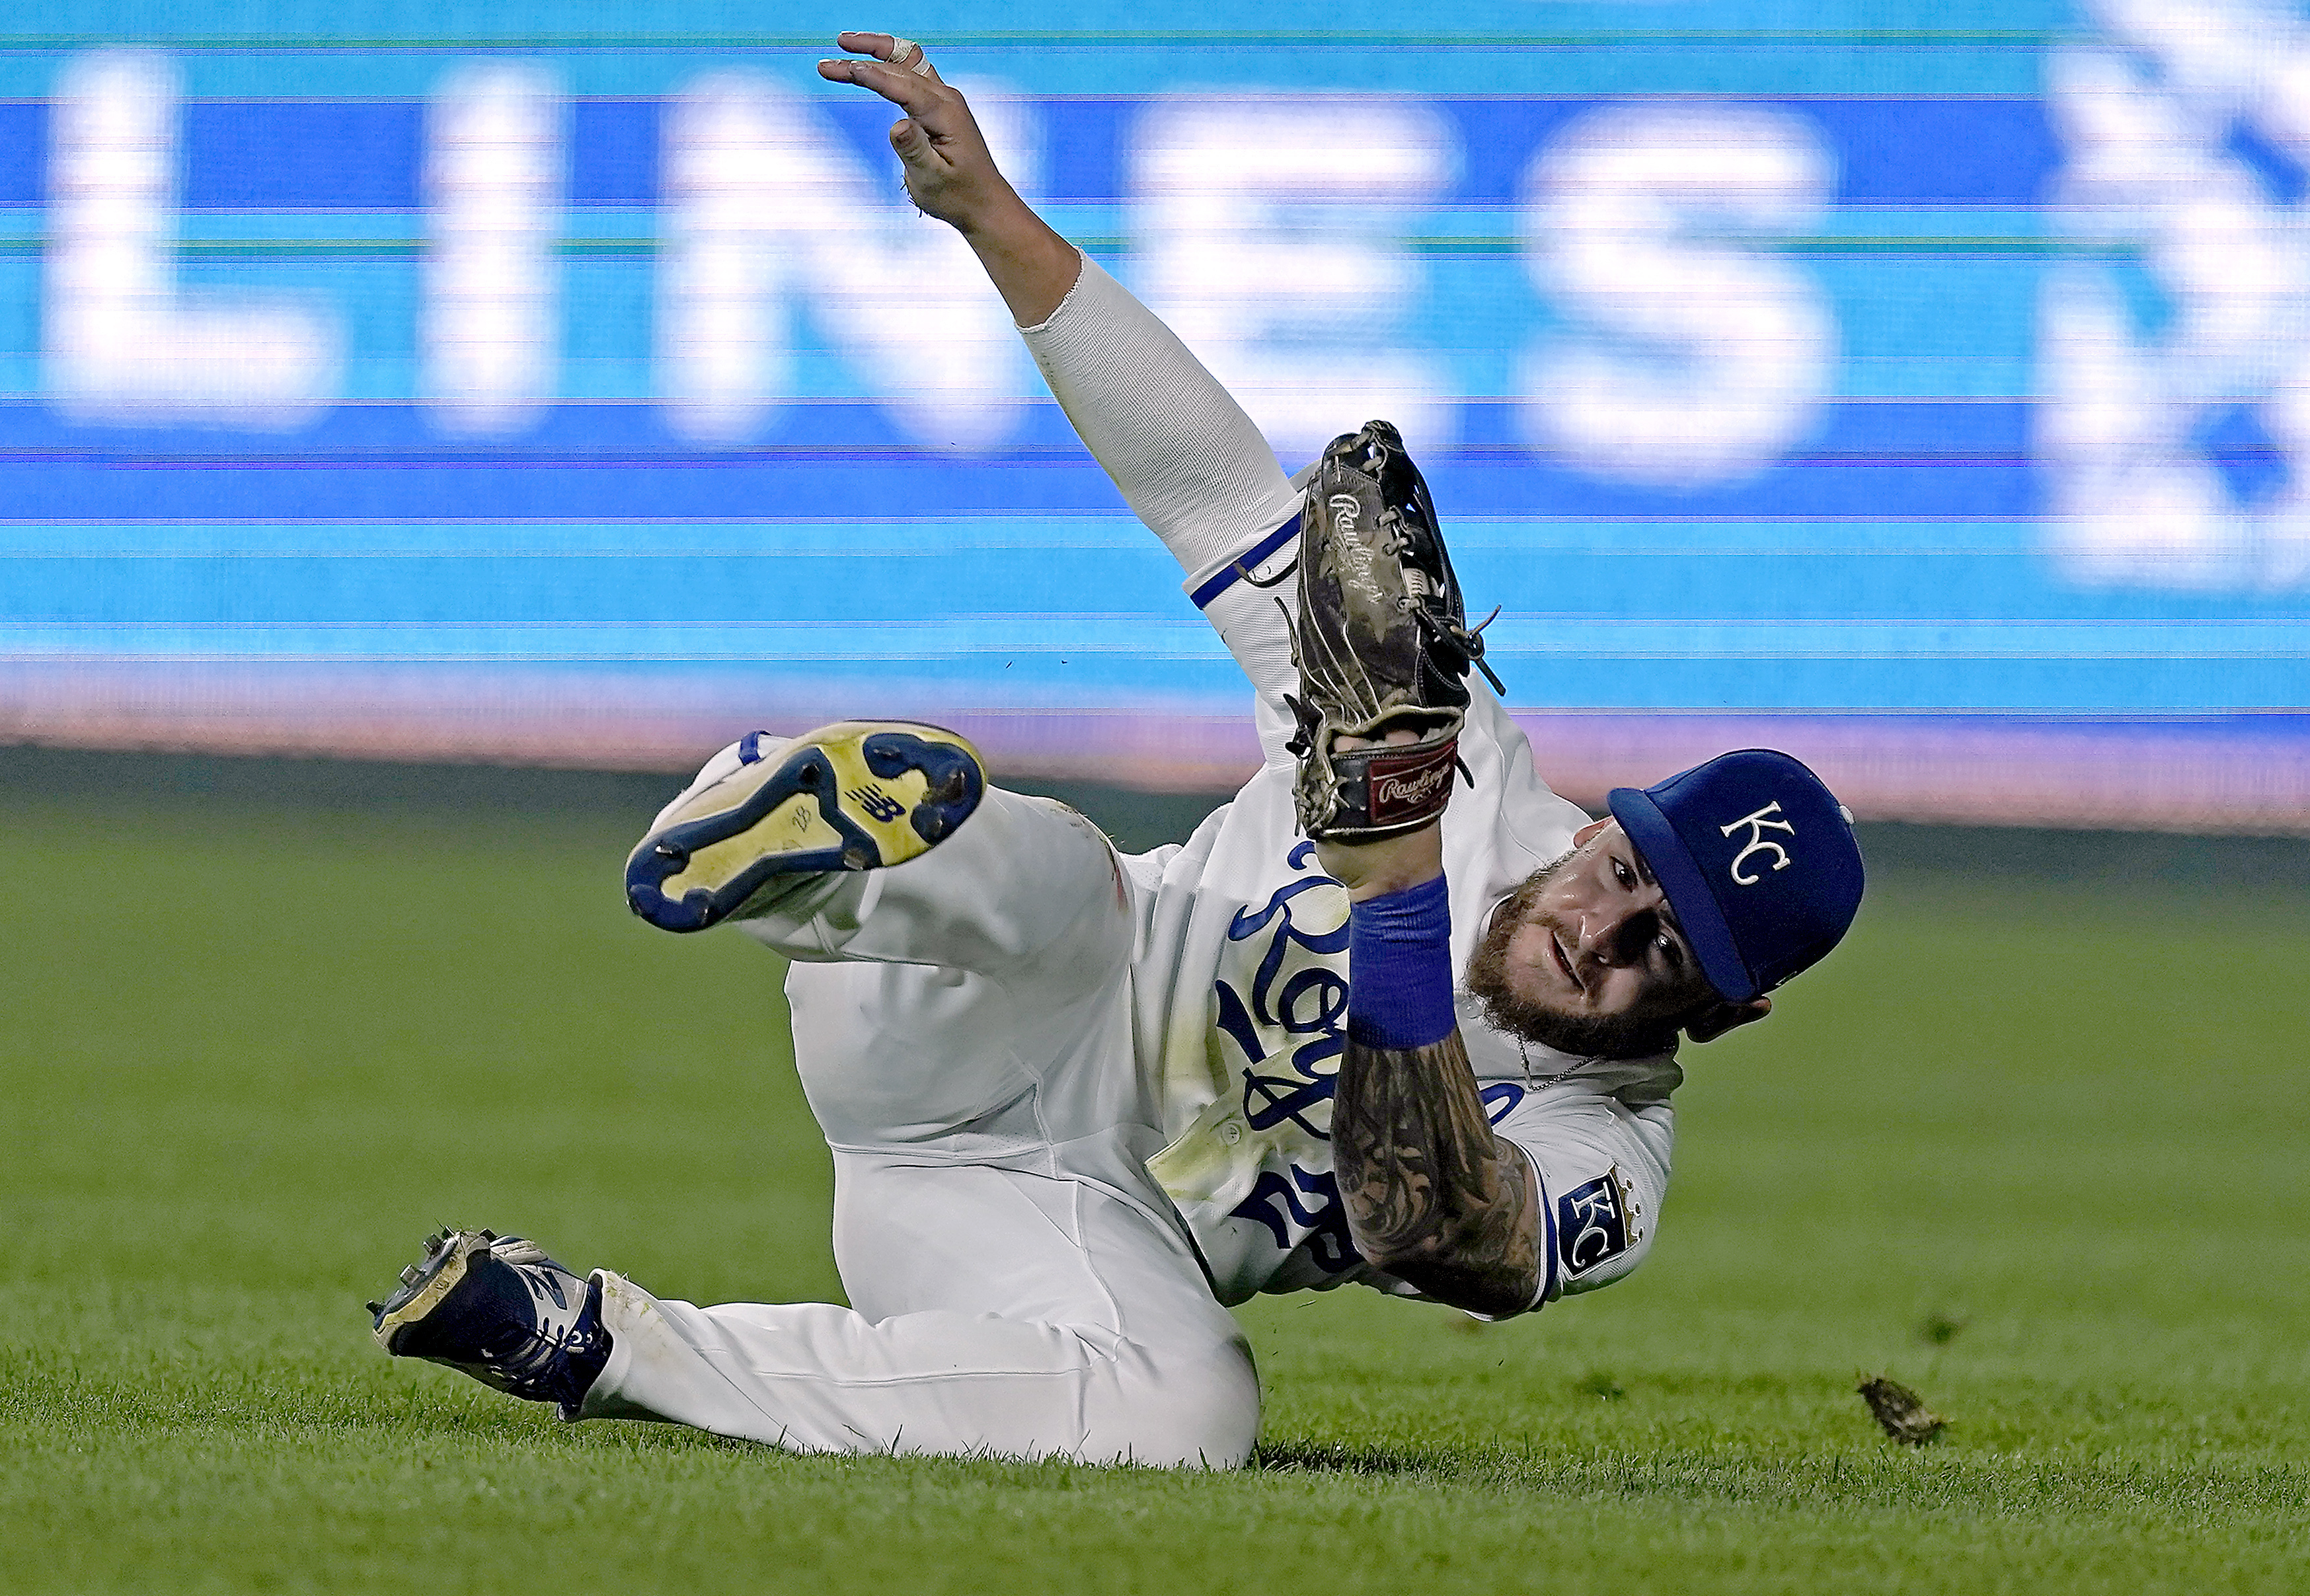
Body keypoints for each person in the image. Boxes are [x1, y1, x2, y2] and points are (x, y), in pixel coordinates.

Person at [367, 33, 1865, 1470]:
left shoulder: (1608, 1162)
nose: (1606, 927)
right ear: (1603, 820)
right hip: (972, 994)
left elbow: (1441, 1233)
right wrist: (990, 216)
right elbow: (1218, 494)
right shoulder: (1445, 748)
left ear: (1726, 1016)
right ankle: (802, 847)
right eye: (1625, 869)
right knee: (1072, 887)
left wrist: (1397, 899)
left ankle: (584, 1337)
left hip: (1008, 1201)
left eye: (1664, 949)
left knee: (1187, 1412)